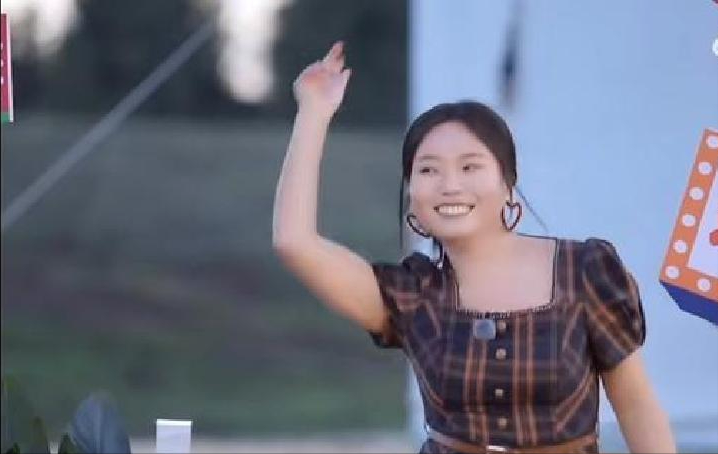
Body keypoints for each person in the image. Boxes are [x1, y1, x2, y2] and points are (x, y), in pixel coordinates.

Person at [272, 41, 676, 453]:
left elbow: (636, 406)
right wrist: (314, 112)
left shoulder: (585, 269)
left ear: (508, 183)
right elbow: (294, 242)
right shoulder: (411, 294)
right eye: (428, 170)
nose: (450, 185)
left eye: (470, 166)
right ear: (412, 196)